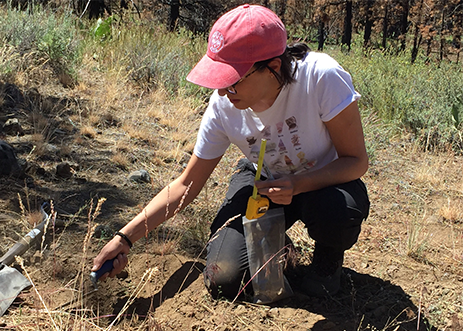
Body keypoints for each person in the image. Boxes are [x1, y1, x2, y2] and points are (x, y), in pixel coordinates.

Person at [92, 4, 370, 300]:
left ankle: (327, 262)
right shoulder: (223, 106)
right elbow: (187, 184)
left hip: (324, 185)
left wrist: (299, 184)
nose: (224, 91)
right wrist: (125, 237)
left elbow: (356, 161)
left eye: (233, 79)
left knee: (338, 213)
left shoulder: (321, 78)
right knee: (224, 277)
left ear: (274, 66)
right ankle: (278, 248)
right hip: (263, 181)